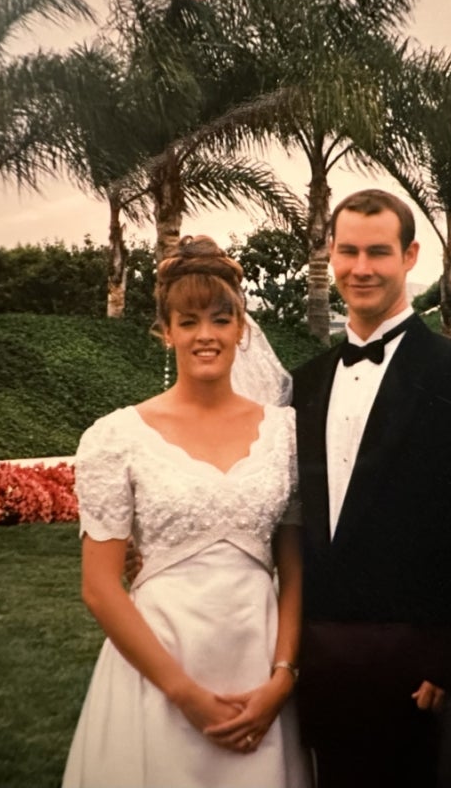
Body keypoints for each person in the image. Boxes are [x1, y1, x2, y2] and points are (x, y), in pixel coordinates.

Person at [290, 189, 451, 788]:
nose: (361, 267)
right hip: (329, 671)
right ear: (330, 255)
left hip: (429, 677)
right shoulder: (305, 384)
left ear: (410, 256)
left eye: (379, 251)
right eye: (347, 251)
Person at [62, 236, 312, 788]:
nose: (206, 335)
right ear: (166, 330)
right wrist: (183, 693)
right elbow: (100, 588)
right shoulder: (115, 437)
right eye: (189, 320)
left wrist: (282, 678)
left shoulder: (284, 435)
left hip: (258, 659)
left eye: (221, 320)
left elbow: (295, 570)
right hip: (158, 669)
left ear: (241, 329)